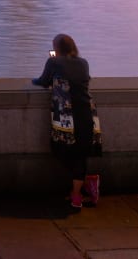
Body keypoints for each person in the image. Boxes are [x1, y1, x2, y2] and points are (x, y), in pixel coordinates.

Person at [33, 33, 102, 210]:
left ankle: (78, 194)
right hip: (87, 113)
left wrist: (35, 77)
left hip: (67, 116)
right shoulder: (83, 62)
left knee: (60, 150)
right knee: (80, 154)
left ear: (56, 48)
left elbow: (43, 81)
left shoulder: (54, 62)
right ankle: (83, 188)